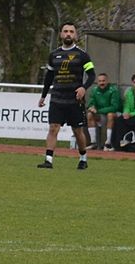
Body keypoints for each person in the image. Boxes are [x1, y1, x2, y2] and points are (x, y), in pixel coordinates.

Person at [36, 22, 95, 170]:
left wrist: (83, 87)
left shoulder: (82, 55)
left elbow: (92, 75)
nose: (68, 34)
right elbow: (49, 77)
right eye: (65, 31)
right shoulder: (54, 55)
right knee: (53, 128)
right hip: (57, 98)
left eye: (71, 31)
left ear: (75, 35)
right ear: (61, 34)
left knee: (77, 130)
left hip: (74, 100)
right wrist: (43, 96)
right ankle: (48, 160)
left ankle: (83, 158)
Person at [85, 72, 121, 151]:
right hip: (101, 114)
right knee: (90, 115)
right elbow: (91, 103)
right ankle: (93, 143)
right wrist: (92, 108)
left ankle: (108, 143)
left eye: (103, 81)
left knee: (110, 115)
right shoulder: (94, 90)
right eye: (100, 81)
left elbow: (114, 107)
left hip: (116, 114)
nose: (102, 83)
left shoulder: (113, 90)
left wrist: (98, 110)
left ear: (107, 81)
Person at [112, 73, 135, 150]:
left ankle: (131, 141)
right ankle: (118, 143)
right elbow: (126, 105)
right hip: (129, 114)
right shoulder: (129, 92)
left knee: (133, 121)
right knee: (119, 120)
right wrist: (126, 113)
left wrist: (131, 114)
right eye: (134, 82)